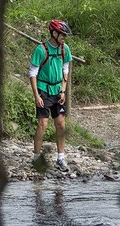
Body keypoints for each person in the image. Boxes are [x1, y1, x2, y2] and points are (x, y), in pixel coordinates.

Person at [29, 20, 73, 172]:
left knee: (61, 124)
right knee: (43, 124)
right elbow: (33, 73)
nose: (64, 38)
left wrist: (63, 89)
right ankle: (36, 157)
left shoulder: (64, 49)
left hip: (57, 90)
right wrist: (36, 96)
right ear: (54, 33)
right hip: (43, 89)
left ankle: (60, 158)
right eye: (63, 35)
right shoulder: (41, 50)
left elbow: (65, 68)